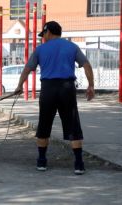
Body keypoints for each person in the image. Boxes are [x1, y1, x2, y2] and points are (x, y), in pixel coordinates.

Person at [15, 21, 95, 175]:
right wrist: (91, 85)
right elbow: (86, 65)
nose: (42, 38)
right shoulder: (72, 47)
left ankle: (41, 161)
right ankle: (78, 164)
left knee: (44, 124)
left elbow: (27, 69)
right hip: (67, 88)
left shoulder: (40, 49)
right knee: (73, 125)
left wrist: (19, 86)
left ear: (48, 32)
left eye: (43, 34)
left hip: (48, 89)